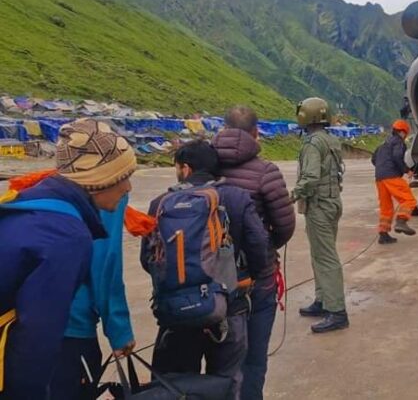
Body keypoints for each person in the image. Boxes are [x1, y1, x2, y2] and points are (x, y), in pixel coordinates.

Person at [0, 119, 135, 399]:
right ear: (99, 181)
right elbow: (36, 336)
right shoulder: (67, 236)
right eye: (124, 176)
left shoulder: (29, 204)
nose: (128, 187)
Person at [142, 141, 269, 398]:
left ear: (185, 169)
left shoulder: (160, 203)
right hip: (227, 308)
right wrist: (244, 279)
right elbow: (259, 247)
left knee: (172, 384)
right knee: (227, 379)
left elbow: (148, 260)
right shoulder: (235, 197)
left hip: (174, 311)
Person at [212, 105, 295, 399]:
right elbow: (285, 225)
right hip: (257, 278)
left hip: (211, 281)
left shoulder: (208, 167)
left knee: (219, 358)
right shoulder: (266, 171)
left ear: (223, 129)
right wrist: (267, 248)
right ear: (255, 132)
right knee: (254, 357)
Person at [48, 195, 136, 399]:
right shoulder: (105, 195)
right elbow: (105, 264)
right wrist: (119, 330)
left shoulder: (41, 190)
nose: (128, 187)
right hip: (71, 329)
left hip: (22, 326)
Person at [292, 97, 348, 333]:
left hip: (319, 206)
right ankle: (323, 300)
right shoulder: (331, 140)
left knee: (325, 258)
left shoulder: (313, 143)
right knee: (320, 254)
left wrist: (292, 194)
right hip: (332, 202)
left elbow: (311, 177)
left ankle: (337, 311)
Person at [371, 119, 417, 244]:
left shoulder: (383, 144)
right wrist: (407, 170)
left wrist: (383, 168)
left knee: (386, 206)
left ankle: (383, 234)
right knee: (409, 200)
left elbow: (374, 159)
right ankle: (401, 221)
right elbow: (397, 156)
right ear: (403, 132)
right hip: (391, 176)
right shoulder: (399, 142)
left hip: (379, 178)